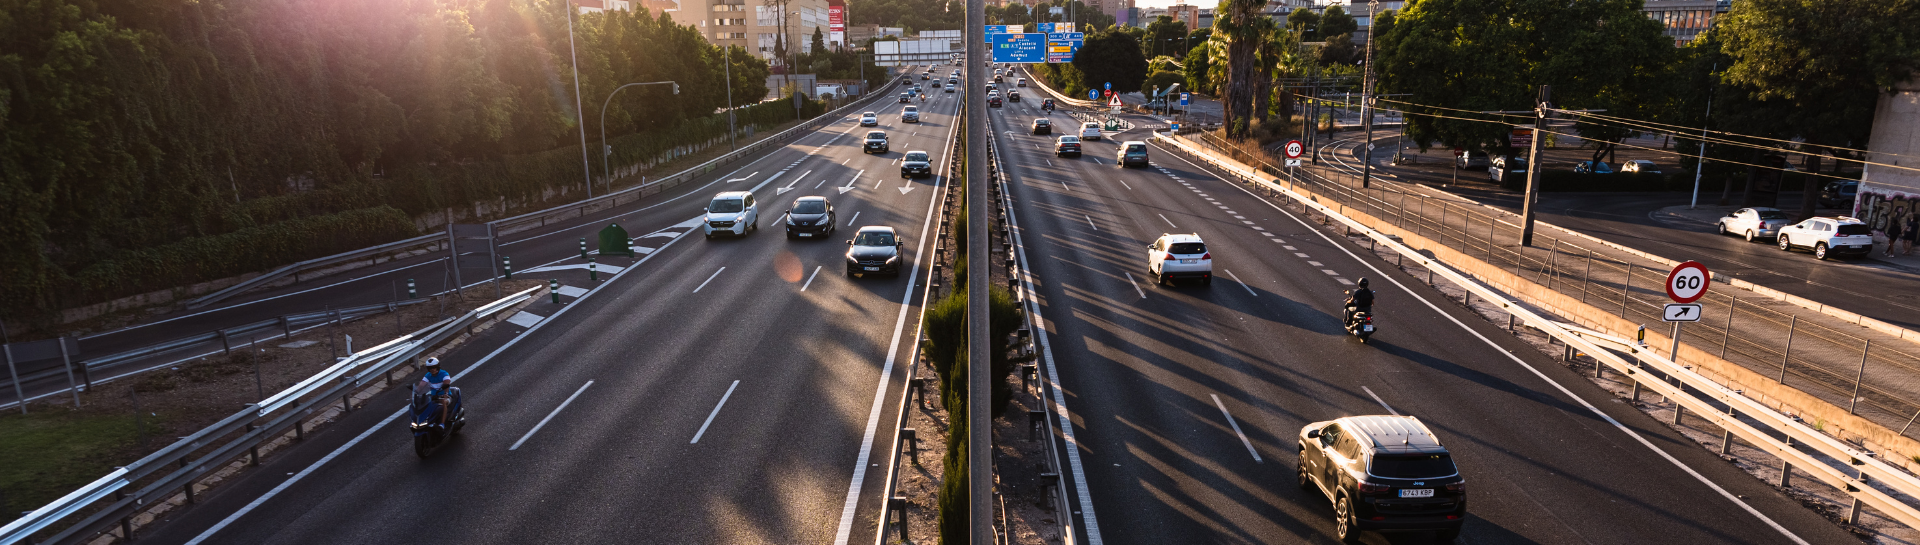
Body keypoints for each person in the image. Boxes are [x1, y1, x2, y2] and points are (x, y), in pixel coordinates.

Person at [417, 357, 458, 427]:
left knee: (443, 402)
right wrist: (416, 393)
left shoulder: (444, 374)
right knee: (423, 405)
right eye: (429, 368)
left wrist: (445, 394)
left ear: (437, 367)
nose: (432, 369)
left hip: (445, 396)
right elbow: (422, 384)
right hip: (433, 397)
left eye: (433, 367)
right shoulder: (428, 375)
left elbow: (446, 384)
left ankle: (442, 424)